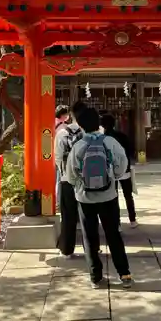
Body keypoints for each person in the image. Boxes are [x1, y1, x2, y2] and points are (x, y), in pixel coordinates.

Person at [66, 107, 132, 289]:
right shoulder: (110, 142)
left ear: (81, 125)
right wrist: (113, 176)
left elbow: (70, 176)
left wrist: (80, 184)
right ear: (98, 123)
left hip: (85, 198)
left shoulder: (78, 146)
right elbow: (122, 164)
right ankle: (124, 273)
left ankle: (96, 277)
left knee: (89, 236)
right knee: (113, 234)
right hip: (108, 195)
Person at [55, 101, 86, 258]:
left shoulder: (62, 133)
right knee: (89, 216)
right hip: (86, 181)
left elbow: (57, 157)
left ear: (71, 115)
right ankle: (91, 248)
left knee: (68, 216)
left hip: (67, 180)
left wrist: (63, 171)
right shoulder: (91, 133)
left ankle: (67, 250)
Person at [101, 113, 138, 229]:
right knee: (128, 195)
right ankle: (132, 219)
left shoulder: (103, 138)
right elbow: (131, 151)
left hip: (110, 171)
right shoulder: (122, 136)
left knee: (113, 197)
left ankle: (117, 223)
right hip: (124, 169)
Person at [55, 104, 70, 208]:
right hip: (61, 156)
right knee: (60, 179)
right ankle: (59, 201)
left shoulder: (51, 122)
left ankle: (56, 201)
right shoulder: (64, 128)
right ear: (64, 114)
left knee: (57, 179)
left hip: (51, 154)